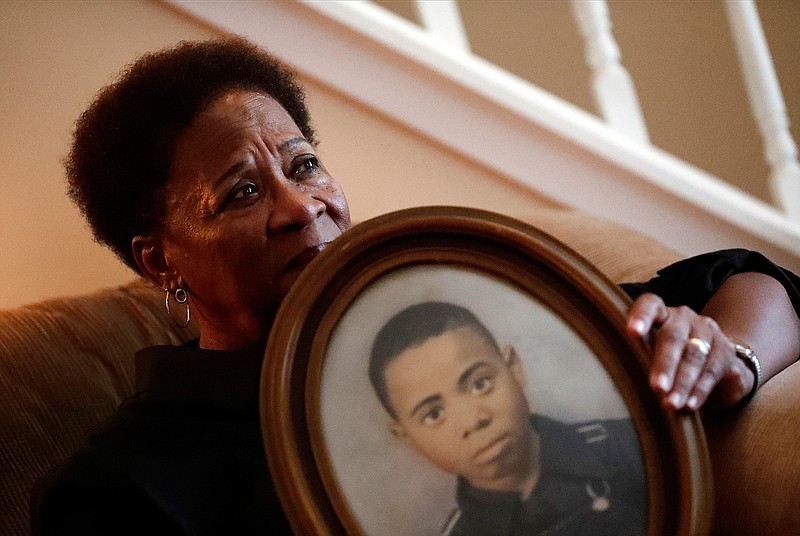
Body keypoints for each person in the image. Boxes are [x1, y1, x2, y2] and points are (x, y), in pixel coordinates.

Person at [29, 36, 800, 535]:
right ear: (161, 261)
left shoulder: (443, 304)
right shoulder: (125, 487)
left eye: (302, 165)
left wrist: (726, 356)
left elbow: (749, 277)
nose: (303, 208)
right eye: (241, 193)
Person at [369, 301, 647, 536]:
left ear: (513, 368)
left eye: (480, 384)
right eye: (434, 414)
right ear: (408, 438)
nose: (472, 421)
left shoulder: (630, 446)